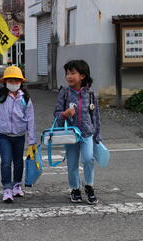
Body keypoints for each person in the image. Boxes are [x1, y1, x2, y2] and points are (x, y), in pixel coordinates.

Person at [0, 51, 36, 203]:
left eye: (16, 80)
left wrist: (32, 139)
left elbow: (30, 119)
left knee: (18, 161)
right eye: (10, 80)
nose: (13, 83)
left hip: (19, 135)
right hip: (3, 135)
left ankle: (17, 185)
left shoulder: (25, 98)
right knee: (6, 161)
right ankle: (7, 188)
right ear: (5, 81)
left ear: (21, 82)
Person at [53, 60, 102, 204]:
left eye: (72, 73)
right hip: (70, 135)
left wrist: (97, 135)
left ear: (82, 75)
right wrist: (65, 114)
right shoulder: (64, 92)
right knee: (72, 163)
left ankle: (89, 186)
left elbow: (96, 116)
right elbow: (56, 114)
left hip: (87, 133)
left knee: (88, 159)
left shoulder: (91, 94)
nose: (69, 76)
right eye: (67, 73)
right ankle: (75, 189)